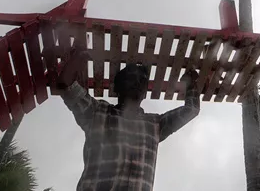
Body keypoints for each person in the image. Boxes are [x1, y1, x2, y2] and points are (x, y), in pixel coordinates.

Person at [55, 48, 200, 191]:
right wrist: (77, 58)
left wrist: (190, 83)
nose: (136, 82)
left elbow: (191, 110)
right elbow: (65, 84)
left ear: (144, 94)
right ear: (116, 89)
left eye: (141, 81)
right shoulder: (97, 112)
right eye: (130, 79)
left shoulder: (155, 124)